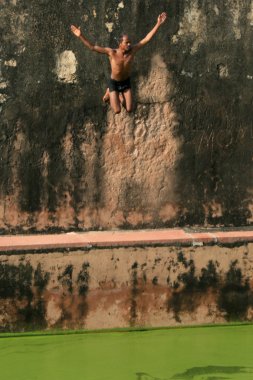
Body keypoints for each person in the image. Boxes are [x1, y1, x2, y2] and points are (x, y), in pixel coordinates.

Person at [70, 12, 167, 114]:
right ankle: (109, 92)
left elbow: (146, 39)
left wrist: (158, 23)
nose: (129, 44)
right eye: (126, 43)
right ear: (120, 44)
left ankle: (119, 96)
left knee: (129, 109)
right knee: (117, 110)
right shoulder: (112, 53)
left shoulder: (132, 50)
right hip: (114, 83)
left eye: (130, 42)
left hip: (126, 82)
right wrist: (80, 36)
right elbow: (92, 47)